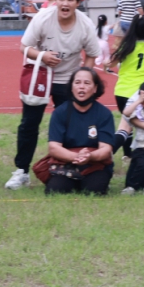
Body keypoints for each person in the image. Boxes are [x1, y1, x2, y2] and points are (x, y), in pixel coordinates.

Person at [5, 0, 100, 190]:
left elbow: (92, 55)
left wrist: (81, 80)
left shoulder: (85, 25)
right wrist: (42, 56)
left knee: (71, 126)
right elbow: (24, 47)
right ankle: (21, 171)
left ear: (79, 2)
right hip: (40, 76)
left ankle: (68, 166)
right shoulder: (43, 18)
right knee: (29, 124)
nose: (65, 4)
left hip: (68, 80)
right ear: (55, 0)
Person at [44, 67, 113, 195]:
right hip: (67, 162)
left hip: (94, 164)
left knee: (94, 190)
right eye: (77, 83)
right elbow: (53, 148)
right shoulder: (60, 112)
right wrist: (76, 157)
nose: (81, 87)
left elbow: (106, 149)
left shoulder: (104, 114)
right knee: (55, 190)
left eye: (87, 83)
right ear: (71, 87)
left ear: (95, 88)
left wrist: (89, 157)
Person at [109, 14, 144, 158]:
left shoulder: (128, 46)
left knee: (126, 126)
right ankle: (107, 154)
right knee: (129, 125)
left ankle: (126, 155)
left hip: (121, 92)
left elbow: (110, 63)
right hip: (140, 94)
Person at [121, 82, 144, 193]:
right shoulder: (139, 110)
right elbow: (126, 112)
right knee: (141, 166)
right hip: (142, 148)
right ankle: (132, 187)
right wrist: (139, 100)